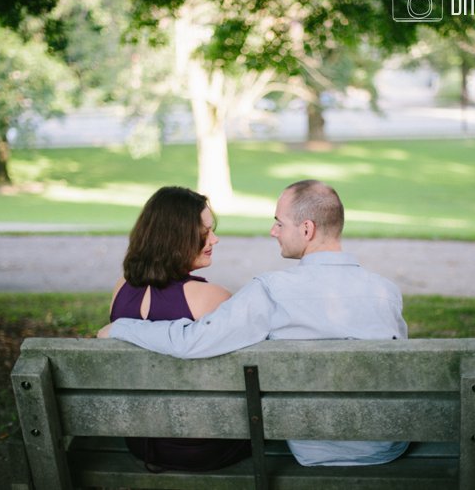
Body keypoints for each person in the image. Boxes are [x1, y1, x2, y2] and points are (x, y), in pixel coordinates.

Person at [99, 180, 409, 467]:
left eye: (279, 222)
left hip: (314, 447)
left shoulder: (271, 291)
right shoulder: (387, 291)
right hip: (386, 443)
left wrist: (122, 328)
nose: (273, 231)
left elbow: (192, 340)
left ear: (307, 229)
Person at [108, 185, 250, 472]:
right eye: (203, 232)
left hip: (142, 442)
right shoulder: (211, 298)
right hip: (205, 445)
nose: (215, 239)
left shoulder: (121, 290)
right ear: (175, 238)